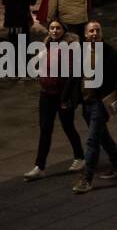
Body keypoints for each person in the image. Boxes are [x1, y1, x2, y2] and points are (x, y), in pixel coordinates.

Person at [73, 20, 117, 194]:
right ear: (85, 34)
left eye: (97, 30)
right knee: (102, 135)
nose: (94, 34)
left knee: (92, 141)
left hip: (100, 101)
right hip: (86, 101)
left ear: (101, 33)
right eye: (91, 31)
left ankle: (87, 179)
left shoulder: (110, 54)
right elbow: (76, 78)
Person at [24, 19, 84, 181]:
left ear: (63, 30)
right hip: (46, 94)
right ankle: (40, 166)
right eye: (52, 28)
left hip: (62, 94)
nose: (55, 31)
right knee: (45, 129)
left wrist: (66, 98)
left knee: (68, 126)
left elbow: (72, 74)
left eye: (58, 28)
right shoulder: (47, 45)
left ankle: (80, 157)